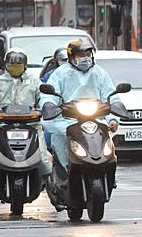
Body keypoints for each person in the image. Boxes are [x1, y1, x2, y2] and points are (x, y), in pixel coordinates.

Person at [0, 48, 52, 214]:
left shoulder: (35, 82)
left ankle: (54, 197)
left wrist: (46, 108)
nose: (15, 66)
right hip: (1, 128)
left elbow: (44, 100)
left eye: (18, 63)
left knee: (44, 160)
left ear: (25, 64)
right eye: (11, 63)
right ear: (6, 64)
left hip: (32, 128)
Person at [40, 40, 119, 173]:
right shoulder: (60, 74)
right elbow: (49, 97)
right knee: (60, 143)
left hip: (96, 120)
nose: (86, 58)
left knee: (108, 149)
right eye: (81, 55)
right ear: (71, 58)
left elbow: (110, 96)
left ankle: (109, 174)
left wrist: (112, 119)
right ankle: (63, 172)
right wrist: (49, 106)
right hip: (66, 121)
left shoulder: (99, 73)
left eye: (88, 54)